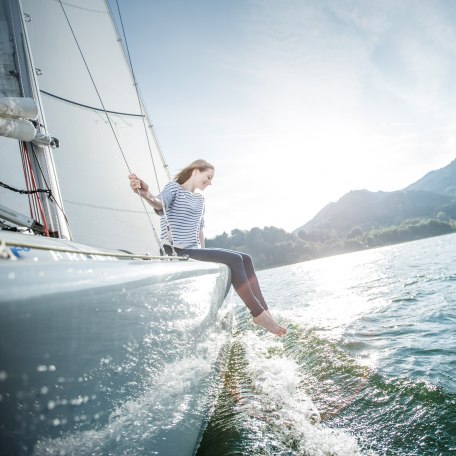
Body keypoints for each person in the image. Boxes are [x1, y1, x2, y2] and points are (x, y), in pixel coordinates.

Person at [128, 159, 287, 337]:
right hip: (176, 250)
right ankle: (257, 315)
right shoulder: (173, 188)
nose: (210, 182)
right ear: (195, 171)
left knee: (246, 258)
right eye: (208, 177)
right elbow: (160, 203)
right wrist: (147, 194)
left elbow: (200, 230)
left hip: (194, 251)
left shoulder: (200, 199)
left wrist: (204, 254)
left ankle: (265, 311)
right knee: (234, 260)